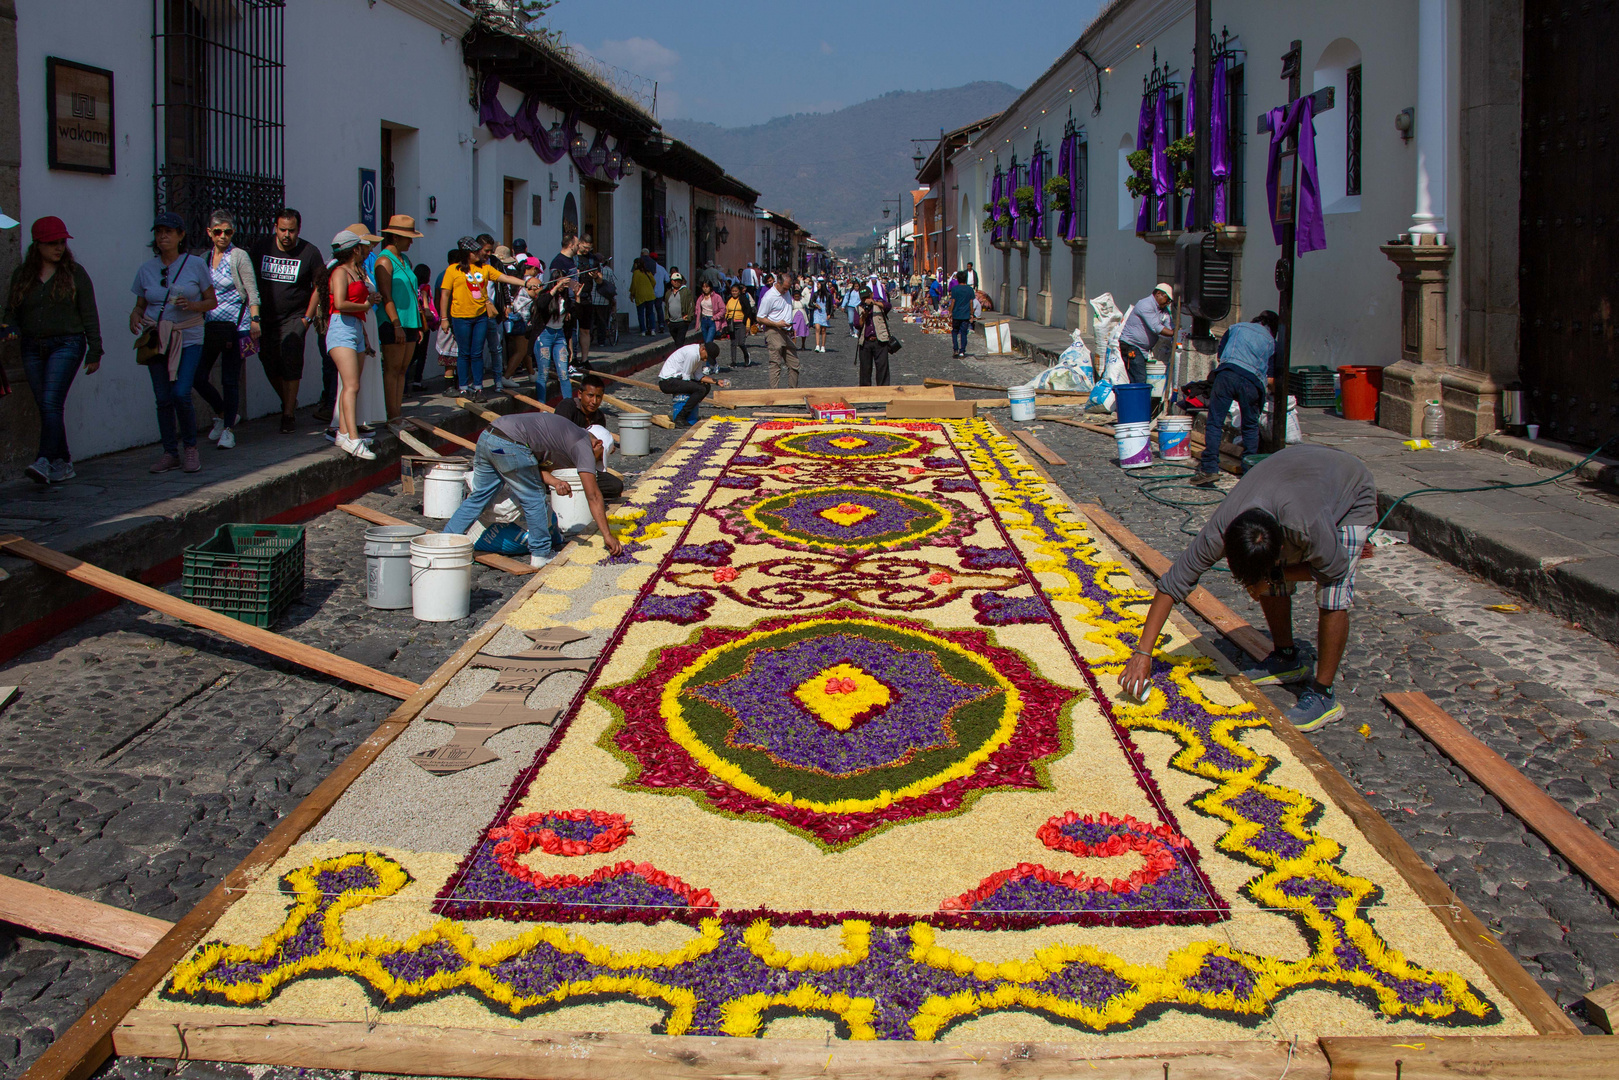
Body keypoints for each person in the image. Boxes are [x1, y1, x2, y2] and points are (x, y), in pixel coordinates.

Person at [1120, 444, 1376, 731]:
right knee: (1270, 579)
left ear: (1281, 545)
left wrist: (1277, 573)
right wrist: (1143, 654)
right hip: (1297, 478)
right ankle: (1286, 657)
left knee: (1333, 594)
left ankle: (1323, 695)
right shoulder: (1221, 530)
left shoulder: (1306, 524)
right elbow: (1172, 584)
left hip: (1349, 489)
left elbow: (1335, 569)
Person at [444, 410, 622, 568]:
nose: (592, 463)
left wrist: (554, 482)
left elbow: (530, 466)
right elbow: (593, 495)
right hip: (510, 442)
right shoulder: (582, 443)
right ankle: (540, 554)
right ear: (598, 444)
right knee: (534, 499)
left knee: (480, 496)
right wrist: (607, 535)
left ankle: (445, 541)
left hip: (489, 436)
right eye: (597, 458)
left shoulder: (565, 436)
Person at [2, 216, 102, 484]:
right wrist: (9, 327)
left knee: (50, 402)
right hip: (32, 346)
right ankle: (63, 461)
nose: (59, 247)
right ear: (38, 245)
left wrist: (95, 351)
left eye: (61, 242)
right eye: (52, 243)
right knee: (48, 406)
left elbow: (89, 313)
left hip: (67, 344)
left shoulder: (74, 273)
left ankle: (44, 460)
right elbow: (11, 311)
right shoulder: (22, 275)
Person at [130, 211, 217, 473]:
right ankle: (170, 452)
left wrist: (191, 305)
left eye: (169, 231)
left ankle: (190, 448)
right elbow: (140, 304)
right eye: (159, 232)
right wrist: (134, 317)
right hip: (157, 338)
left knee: (181, 392)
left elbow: (211, 301)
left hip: (188, 336)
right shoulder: (146, 269)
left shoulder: (195, 265)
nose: (163, 236)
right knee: (163, 397)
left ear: (181, 235)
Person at [190, 211, 260, 451]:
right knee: (197, 376)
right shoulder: (203, 259)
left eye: (228, 232)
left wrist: (255, 319)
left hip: (236, 327)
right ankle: (223, 412)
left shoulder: (238, 256)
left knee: (230, 379)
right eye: (218, 231)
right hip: (210, 326)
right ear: (209, 232)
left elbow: (251, 289)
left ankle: (228, 429)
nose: (223, 236)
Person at [250, 208, 323, 433]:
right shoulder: (262, 248)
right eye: (282, 230)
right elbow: (248, 279)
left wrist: (307, 318)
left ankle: (288, 414)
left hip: (294, 318)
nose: (287, 235)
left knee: (291, 359)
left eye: (291, 231)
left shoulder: (309, 252)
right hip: (266, 318)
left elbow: (320, 286)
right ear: (275, 228)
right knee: (268, 361)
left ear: (298, 229)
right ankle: (287, 401)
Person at [1193, 311, 1281, 486]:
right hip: (1251, 382)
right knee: (1250, 426)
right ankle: (1249, 470)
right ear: (1273, 328)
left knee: (1215, 422)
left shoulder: (1235, 328)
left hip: (1226, 376)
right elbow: (1271, 379)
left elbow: (1220, 357)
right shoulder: (1272, 342)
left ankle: (1209, 468)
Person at [324, 231, 379, 460]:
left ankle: (345, 433)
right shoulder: (339, 272)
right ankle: (353, 439)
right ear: (354, 249)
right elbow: (339, 302)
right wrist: (366, 305)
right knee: (351, 385)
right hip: (341, 328)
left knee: (351, 385)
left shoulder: (356, 271)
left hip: (356, 327)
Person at [374, 214, 424, 421]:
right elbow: (386, 295)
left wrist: (419, 322)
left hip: (410, 321)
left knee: (403, 369)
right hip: (393, 322)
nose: (411, 242)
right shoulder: (385, 260)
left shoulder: (404, 260)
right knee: (393, 369)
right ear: (395, 238)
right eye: (407, 237)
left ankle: (397, 411)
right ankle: (391, 413)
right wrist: (396, 325)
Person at [553, 374, 623, 500]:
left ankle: (579, 488)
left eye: (598, 397)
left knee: (615, 486)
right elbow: (558, 438)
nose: (594, 401)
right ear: (580, 394)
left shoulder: (599, 417)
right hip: (562, 463)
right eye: (590, 396)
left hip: (585, 467)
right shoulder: (567, 408)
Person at [529, 268, 575, 399]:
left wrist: (577, 297)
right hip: (544, 335)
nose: (562, 286)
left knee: (564, 373)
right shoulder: (546, 294)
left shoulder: (566, 298)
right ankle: (541, 406)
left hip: (559, 335)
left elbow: (572, 322)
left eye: (564, 283)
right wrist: (555, 288)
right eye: (559, 282)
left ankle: (568, 404)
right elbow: (541, 304)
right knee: (543, 373)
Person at [1119, 283, 1175, 384]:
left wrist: (1176, 332)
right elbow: (1156, 327)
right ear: (1158, 294)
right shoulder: (1145, 304)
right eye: (1167, 299)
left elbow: (1169, 325)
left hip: (1142, 350)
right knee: (1140, 379)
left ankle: (1137, 398)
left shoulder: (1163, 309)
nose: (1168, 303)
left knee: (1137, 379)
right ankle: (1139, 399)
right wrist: (1173, 333)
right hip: (1132, 346)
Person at [658, 339, 720, 426]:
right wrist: (694, 387)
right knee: (700, 389)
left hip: (678, 379)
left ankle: (691, 410)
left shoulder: (698, 355)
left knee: (706, 386)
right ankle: (680, 417)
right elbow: (686, 376)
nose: (705, 360)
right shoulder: (692, 354)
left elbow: (699, 376)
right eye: (706, 357)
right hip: (668, 381)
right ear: (703, 349)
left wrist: (716, 382)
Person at [756, 270, 798, 388]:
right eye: (784, 288)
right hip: (774, 330)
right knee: (775, 362)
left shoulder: (787, 292)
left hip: (786, 331)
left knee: (794, 363)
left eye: (788, 288)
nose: (786, 291)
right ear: (778, 283)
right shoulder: (769, 296)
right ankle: (774, 393)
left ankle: (792, 392)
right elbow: (759, 318)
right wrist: (776, 324)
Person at [854, 287, 893, 387]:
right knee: (865, 369)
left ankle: (883, 390)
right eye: (863, 298)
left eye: (867, 297)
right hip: (866, 342)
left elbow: (888, 306)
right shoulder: (858, 308)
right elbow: (857, 325)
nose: (865, 300)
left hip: (880, 340)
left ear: (871, 295)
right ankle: (865, 390)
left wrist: (874, 303)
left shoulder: (879, 305)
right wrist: (864, 315)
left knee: (882, 368)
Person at [407, 262, 437, 391]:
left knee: (411, 353)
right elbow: (426, 306)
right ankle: (417, 381)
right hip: (424, 323)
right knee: (421, 354)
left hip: (413, 321)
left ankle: (405, 380)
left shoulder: (412, 286)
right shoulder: (426, 288)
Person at [724, 283, 754, 368]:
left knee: (741, 343)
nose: (734, 293)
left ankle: (746, 355)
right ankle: (733, 362)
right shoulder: (729, 300)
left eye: (736, 291)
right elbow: (727, 311)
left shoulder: (743, 299)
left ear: (739, 292)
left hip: (741, 323)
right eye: (733, 291)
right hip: (732, 324)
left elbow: (748, 313)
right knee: (733, 343)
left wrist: (748, 325)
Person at [948, 271, 976, 359]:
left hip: (956, 313)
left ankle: (955, 349)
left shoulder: (955, 289)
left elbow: (953, 301)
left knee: (955, 331)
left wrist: (950, 311)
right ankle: (962, 351)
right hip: (965, 314)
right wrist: (971, 313)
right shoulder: (970, 289)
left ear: (958, 279)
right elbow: (971, 302)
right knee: (964, 333)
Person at [631, 250, 657, 336]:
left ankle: (643, 330)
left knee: (641, 314)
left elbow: (634, 285)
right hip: (650, 295)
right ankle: (652, 329)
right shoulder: (648, 272)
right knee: (650, 313)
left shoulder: (636, 273)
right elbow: (654, 282)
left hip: (640, 295)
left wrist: (632, 294)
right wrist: (650, 288)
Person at [694, 279, 726, 348]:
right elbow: (697, 309)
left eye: (707, 287)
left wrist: (714, 317)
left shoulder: (717, 297)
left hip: (712, 321)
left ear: (710, 287)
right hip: (704, 320)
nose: (705, 289)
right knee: (706, 342)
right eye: (703, 287)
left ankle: (710, 357)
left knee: (709, 342)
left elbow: (723, 310)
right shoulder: (701, 298)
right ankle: (709, 357)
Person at [664, 270, 693, 346]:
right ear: (671, 281)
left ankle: (679, 356)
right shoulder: (668, 293)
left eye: (678, 281)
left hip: (682, 322)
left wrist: (689, 318)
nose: (677, 282)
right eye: (675, 281)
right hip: (672, 322)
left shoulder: (686, 292)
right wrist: (667, 319)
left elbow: (691, 304)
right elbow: (666, 306)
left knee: (679, 342)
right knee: (676, 342)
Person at [811, 278, 831, 352]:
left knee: (823, 330)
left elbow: (830, 305)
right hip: (817, 312)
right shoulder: (815, 294)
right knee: (817, 328)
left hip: (824, 312)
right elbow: (811, 302)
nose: (817, 286)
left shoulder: (828, 295)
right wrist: (815, 305)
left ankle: (823, 346)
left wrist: (829, 314)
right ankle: (817, 345)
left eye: (818, 285)